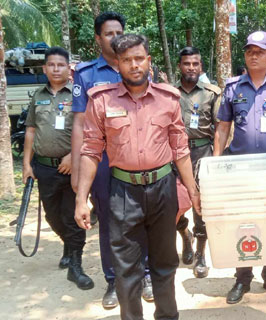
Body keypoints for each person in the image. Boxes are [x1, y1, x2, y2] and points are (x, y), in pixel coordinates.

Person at [75, 34, 199, 320]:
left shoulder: (168, 99)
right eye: (127, 60)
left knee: (165, 262)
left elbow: (180, 148)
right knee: (126, 268)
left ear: (149, 61)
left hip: (162, 189)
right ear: (117, 63)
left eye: (139, 59)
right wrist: (81, 198)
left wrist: (192, 190)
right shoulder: (101, 100)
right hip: (122, 191)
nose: (134, 65)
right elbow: (91, 151)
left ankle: (167, 316)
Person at [70, 11, 153, 308]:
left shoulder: (138, 66)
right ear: (98, 38)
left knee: (141, 218)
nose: (115, 37)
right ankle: (112, 280)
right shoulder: (86, 73)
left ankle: (144, 274)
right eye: (109, 33)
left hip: (136, 158)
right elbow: (80, 123)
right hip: (103, 161)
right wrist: (79, 168)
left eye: (119, 32)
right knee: (109, 221)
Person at [213, 30, 266, 305]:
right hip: (241, 170)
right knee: (242, 222)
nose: (254, 55)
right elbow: (223, 128)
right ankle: (242, 278)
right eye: (250, 50)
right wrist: (215, 166)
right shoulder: (232, 88)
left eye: (260, 51)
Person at [22, 47, 94, 290]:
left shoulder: (77, 93)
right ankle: (69, 245)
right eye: (51, 65)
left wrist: (72, 157)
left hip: (73, 167)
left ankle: (76, 265)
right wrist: (26, 165)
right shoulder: (37, 96)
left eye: (60, 65)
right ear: (44, 68)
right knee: (53, 215)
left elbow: (88, 130)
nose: (55, 69)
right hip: (44, 168)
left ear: (68, 68)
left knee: (73, 215)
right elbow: (31, 130)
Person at [173, 46, 222, 277]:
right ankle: (184, 235)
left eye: (195, 64)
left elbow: (222, 128)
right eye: (186, 64)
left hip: (202, 153)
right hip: (174, 156)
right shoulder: (169, 93)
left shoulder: (212, 93)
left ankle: (201, 253)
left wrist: (216, 160)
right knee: (173, 203)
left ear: (200, 67)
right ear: (179, 66)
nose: (191, 67)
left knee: (201, 205)